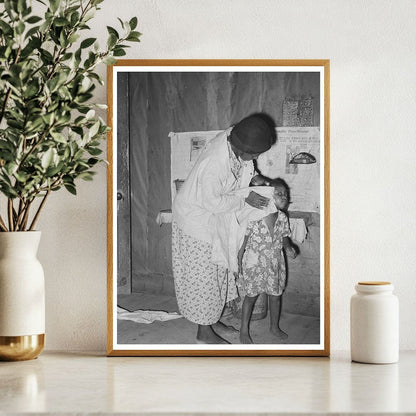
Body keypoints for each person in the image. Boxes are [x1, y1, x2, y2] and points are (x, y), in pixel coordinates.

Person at [172, 114, 274, 344]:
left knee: (220, 273)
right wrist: (244, 200)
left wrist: (255, 180)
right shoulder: (214, 163)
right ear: (243, 148)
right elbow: (212, 202)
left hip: (211, 218)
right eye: (255, 154)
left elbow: (244, 168)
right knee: (205, 279)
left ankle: (211, 318)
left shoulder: (233, 140)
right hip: (195, 223)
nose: (256, 158)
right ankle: (203, 332)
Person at [237, 178, 299, 344]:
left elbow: (285, 236)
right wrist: (238, 260)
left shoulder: (283, 218)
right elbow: (243, 241)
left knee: (275, 295)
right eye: (279, 193)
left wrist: (288, 247)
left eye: (285, 194)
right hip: (254, 263)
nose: (284, 197)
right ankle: (243, 330)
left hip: (274, 262)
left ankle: (274, 327)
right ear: (268, 196)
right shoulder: (254, 216)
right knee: (250, 296)